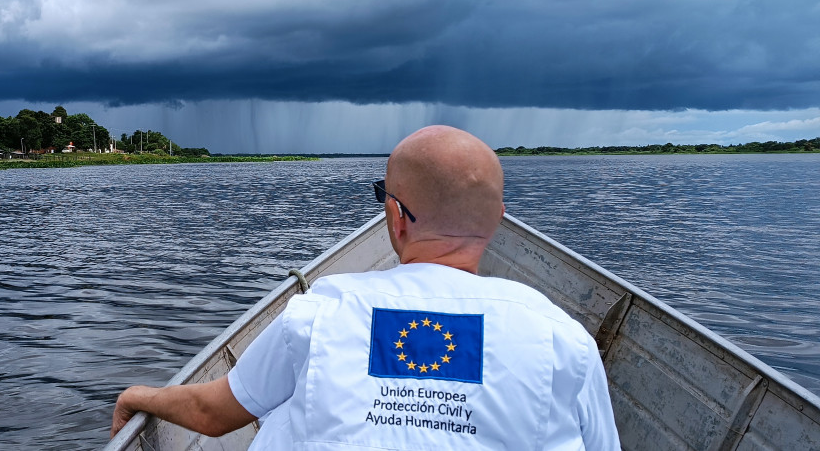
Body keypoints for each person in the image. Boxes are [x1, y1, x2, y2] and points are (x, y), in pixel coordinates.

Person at [111, 125, 620, 449]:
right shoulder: (564, 338)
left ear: (395, 217)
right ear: (498, 222)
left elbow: (212, 414)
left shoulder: (323, 309)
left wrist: (140, 394)